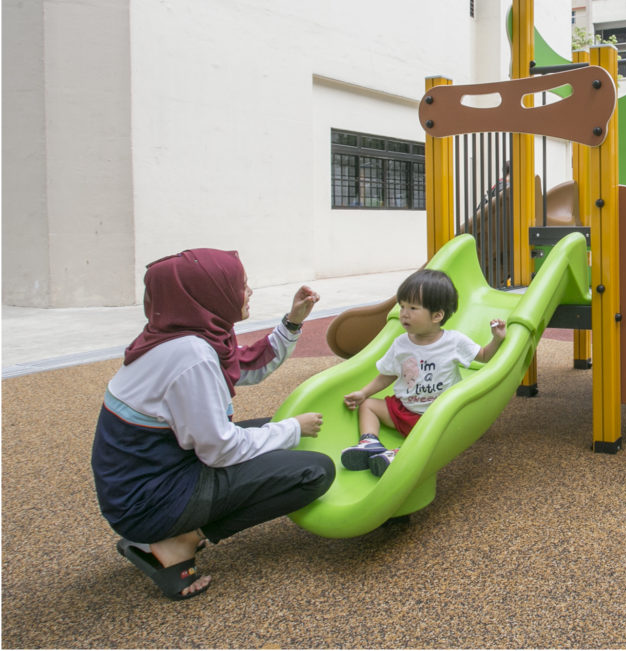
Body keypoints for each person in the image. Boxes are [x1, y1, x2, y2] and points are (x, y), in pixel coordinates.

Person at [91, 249, 334, 601]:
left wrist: (292, 322)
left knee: (280, 433)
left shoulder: (178, 337)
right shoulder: (191, 356)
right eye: (239, 285)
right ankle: (180, 540)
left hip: (152, 479)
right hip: (150, 502)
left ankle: (170, 534)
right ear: (208, 294)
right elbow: (221, 450)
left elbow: (248, 365)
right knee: (314, 470)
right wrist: (293, 429)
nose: (248, 291)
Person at [340, 269, 506, 475]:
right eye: (402, 306)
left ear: (437, 315)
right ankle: (370, 442)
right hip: (404, 411)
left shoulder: (453, 341)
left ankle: (398, 455)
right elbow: (388, 374)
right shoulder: (401, 343)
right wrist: (364, 393)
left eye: (413, 308)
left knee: (435, 438)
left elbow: (483, 356)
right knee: (368, 406)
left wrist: (496, 339)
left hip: (438, 417)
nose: (404, 314)